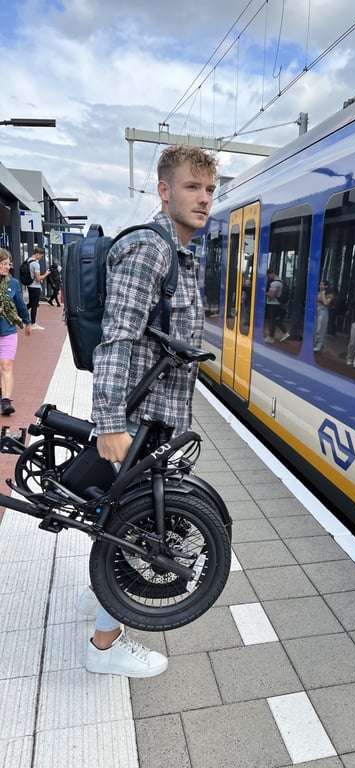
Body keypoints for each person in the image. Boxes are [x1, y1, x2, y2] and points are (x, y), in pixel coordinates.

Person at [78, 144, 218, 678]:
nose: (203, 198)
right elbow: (116, 341)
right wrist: (110, 424)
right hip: (137, 423)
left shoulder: (181, 252)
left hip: (157, 420)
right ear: (164, 191)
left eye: (208, 189)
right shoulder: (152, 251)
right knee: (131, 527)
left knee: (118, 522)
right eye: (191, 187)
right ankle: (104, 646)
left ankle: (93, 600)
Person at [0, 249, 32, 415]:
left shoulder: (12, 283)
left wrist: (27, 322)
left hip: (8, 330)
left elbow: (20, 305)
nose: (7, 267)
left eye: (8, 264)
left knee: (6, 364)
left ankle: (6, 401)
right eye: (3, 264)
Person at [26, 246, 50, 330]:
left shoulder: (28, 260)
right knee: (34, 305)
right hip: (35, 286)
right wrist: (46, 274)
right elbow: (38, 278)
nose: (41, 258)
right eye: (41, 256)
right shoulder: (35, 264)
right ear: (37, 254)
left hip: (29, 285)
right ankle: (33, 323)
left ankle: (18, 313)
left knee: (31, 303)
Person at [264, 269, 290, 343]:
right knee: (276, 320)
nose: (268, 277)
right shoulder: (281, 282)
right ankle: (285, 333)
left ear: (271, 274)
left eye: (268, 275)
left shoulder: (274, 284)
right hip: (278, 304)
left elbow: (271, 295)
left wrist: (264, 292)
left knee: (271, 320)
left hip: (273, 304)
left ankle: (271, 337)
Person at [313, 280, 334, 352]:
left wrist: (323, 294)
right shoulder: (317, 292)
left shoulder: (329, 294)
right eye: (320, 284)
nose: (320, 286)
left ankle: (318, 346)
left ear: (326, 286)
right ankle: (314, 344)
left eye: (322, 284)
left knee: (320, 329)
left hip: (323, 311)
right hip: (316, 311)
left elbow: (325, 303)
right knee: (315, 329)